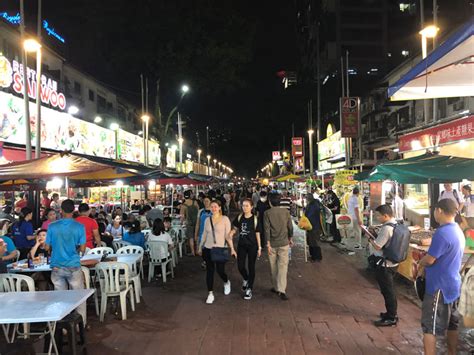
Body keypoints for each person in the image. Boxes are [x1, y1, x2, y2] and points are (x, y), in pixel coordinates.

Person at [417, 199, 465, 355]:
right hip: (454, 284)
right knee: (453, 324)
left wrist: (420, 262)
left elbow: (430, 259)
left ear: (439, 210)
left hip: (439, 287)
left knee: (429, 327)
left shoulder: (442, 232)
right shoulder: (457, 229)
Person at [45, 199, 87, 325]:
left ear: (61, 210)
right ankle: (81, 324)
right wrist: (76, 249)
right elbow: (83, 249)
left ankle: (62, 326)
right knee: (79, 296)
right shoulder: (79, 226)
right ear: (74, 211)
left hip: (57, 265)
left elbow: (46, 247)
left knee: (60, 298)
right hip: (73, 265)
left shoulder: (52, 226)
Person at [198, 200, 236, 305]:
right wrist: (200, 246)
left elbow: (228, 236)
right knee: (209, 271)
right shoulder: (207, 220)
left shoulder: (225, 219)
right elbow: (204, 234)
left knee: (220, 270)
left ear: (219, 208)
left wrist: (232, 248)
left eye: (215, 206)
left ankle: (226, 281)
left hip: (219, 249)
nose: (213, 208)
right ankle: (210, 293)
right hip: (208, 249)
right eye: (212, 207)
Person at [367, 204, 400, 327]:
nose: (377, 218)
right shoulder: (395, 224)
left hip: (385, 264)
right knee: (388, 289)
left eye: (378, 216)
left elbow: (378, 246)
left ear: (386, 216)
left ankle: (392, 317)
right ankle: (390, 313)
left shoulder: (386, 229)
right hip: (392, 262)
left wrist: (370, 239)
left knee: (388, 290)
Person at [229, 198, 262, 300]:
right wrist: (231, 233)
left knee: (251, 266)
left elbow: (257, 233)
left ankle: (249, 289)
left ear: (252, 207)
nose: (245, 207)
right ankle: (246, 278)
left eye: (247, 206)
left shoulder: (255, 219)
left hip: (252, 246)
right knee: (240, 266)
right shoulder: (239, 217)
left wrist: (259, 247)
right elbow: (234, 228)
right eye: (243, 205)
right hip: (242, 245)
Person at [264, 193, 293, 300]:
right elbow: (290, 227)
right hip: (284, 242)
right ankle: (281, 289)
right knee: (283, 266)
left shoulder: (267, 213)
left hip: (272, 243)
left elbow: (266, 229)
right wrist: (290, 238)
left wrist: (267, 243)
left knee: (273, 266)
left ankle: (276, 287)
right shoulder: (286, 212)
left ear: (270, 202)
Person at [181, 190, 200, 256]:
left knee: (191, 237)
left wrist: (181, 222)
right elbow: (199, 211)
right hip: (197, 222)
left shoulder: (183, 205)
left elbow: (182, 216)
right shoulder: (195, 202)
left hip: (189, 223)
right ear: (189, 195)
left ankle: (193, 252)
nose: (193, 195)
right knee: (197, 236)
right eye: (192, 194)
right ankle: (197, 250)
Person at [304, 193, 323, 262]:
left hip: (313, 226)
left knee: (313, 242)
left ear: (308, 199)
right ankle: (315, 256)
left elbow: (309, 216)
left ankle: (315, 257)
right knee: (313, 241)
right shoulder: (315, 204)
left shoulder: (312, 205)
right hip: (315, 226)